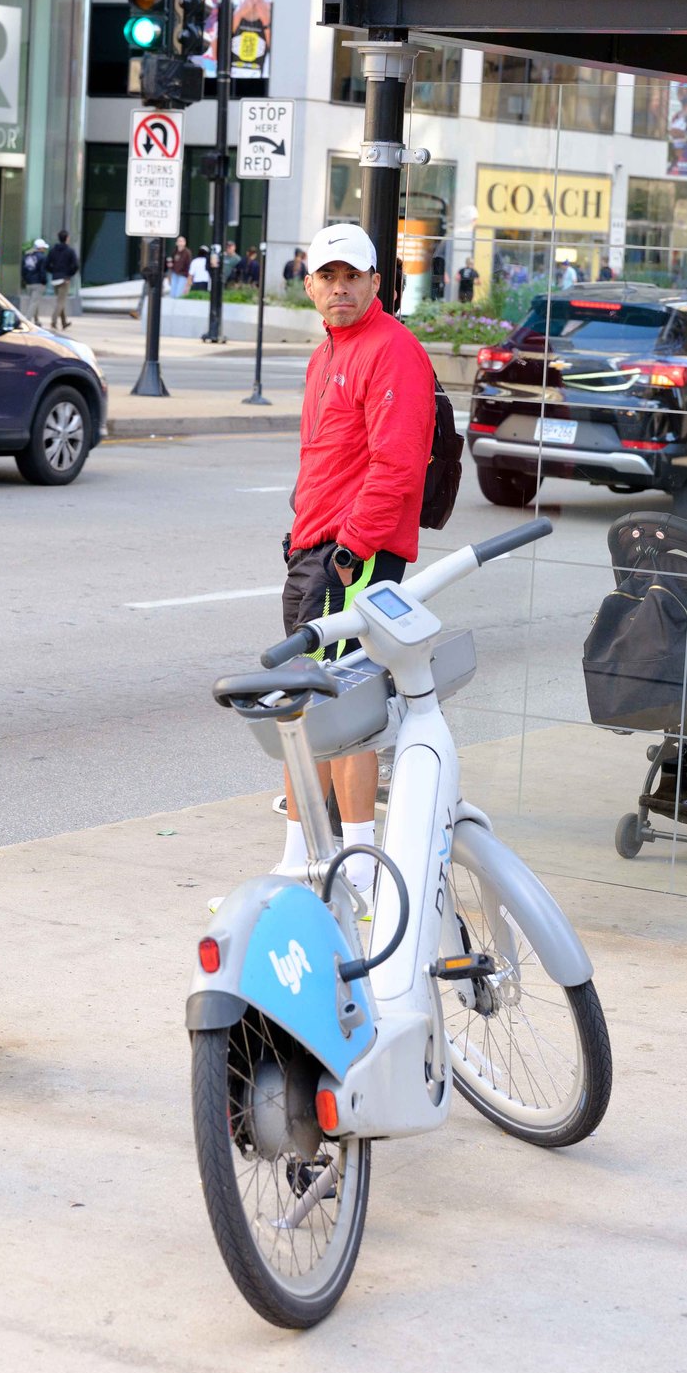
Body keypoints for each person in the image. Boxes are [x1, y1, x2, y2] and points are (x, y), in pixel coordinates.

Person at [273, 221, 437, 890]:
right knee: (302, 703)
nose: (339, 288)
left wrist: (353, 547)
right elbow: (323, 457)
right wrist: (300, 532)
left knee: (343, 708)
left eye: (351, 276)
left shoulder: (392, 351)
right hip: (313, 548)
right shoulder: (328, 353)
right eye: (327, 277)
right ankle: (303, 858)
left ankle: (360, 866)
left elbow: (397, 463)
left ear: (376, 282)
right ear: (310, 286)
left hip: (351, 555)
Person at [46, 228, 80, 328]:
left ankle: (64, 322)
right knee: (60, 302)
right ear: (67, 238)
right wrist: (69, 274)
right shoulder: (70, 251)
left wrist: (53, 272)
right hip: (64, 279)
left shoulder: (53, 250)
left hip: (55, 278)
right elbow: (76, 265)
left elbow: (47, 264)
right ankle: (53, 321)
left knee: (60, 301)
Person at [19, 237, 51, 321]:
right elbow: (42, 271)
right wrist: (44, 281)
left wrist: (25, 280)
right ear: (40, 248)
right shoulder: (42, 257)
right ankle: (27, 320)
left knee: (33, 301)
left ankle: (37, 320)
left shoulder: (27, 256)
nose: (44, 249)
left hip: (28, 282)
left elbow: (23, 269)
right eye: (43, 247)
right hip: (38, 283)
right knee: (34, 302)